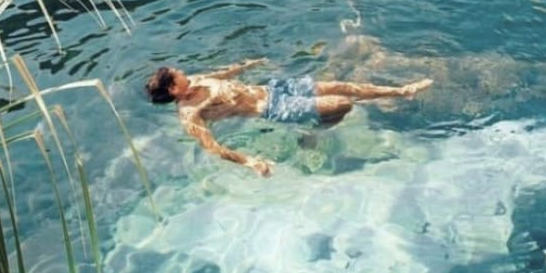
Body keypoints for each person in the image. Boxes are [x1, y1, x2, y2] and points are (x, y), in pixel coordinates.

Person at [146, 58, 431, 176]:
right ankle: (315, 131)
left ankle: (401, 92)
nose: (182, 71)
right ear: (173, 87)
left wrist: (248, 64)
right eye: (176, 73)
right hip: (272, 108)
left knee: (338, 85)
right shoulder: (190, 113)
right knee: (343, 104)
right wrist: (250, 162)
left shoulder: (195, 79)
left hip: (271, 89)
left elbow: (222, 74)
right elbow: (212, 146)